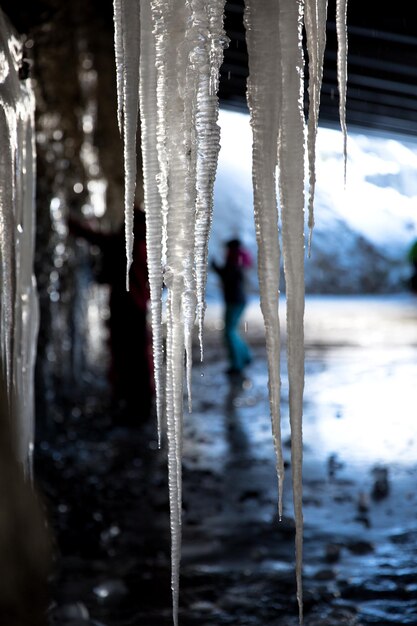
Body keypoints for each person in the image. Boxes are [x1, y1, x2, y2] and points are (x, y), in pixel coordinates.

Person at [69, 207, 154, 424]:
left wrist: (69, 221)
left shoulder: (126, 244)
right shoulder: (145, 246)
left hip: (125, 308)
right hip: (137, 308)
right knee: (138, 356)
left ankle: (130, 403)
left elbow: (96, 238)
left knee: (125, 356)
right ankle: (140, 403)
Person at [211, 238, 253, 376]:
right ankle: (245, 356)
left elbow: (227, 276)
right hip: (238, 301)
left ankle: (238, 364)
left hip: (234, 301)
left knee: (229, 332)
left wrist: (216, 267)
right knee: (232, 331)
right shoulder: (238, 260)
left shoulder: (233, 260)